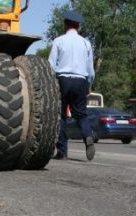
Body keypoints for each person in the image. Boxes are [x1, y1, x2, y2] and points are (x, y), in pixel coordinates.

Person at [48, 10, 96, 161]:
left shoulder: (59, 41)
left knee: (61, 115)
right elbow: (90, 70)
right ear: (78, 26)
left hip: (62, 80)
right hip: (80, 80)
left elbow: (51, 65)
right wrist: (89, 85)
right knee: (81, 114)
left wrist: (52, 85)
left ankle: (62, 151)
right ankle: (88, 136)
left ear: (65, 24)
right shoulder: (86, 43)